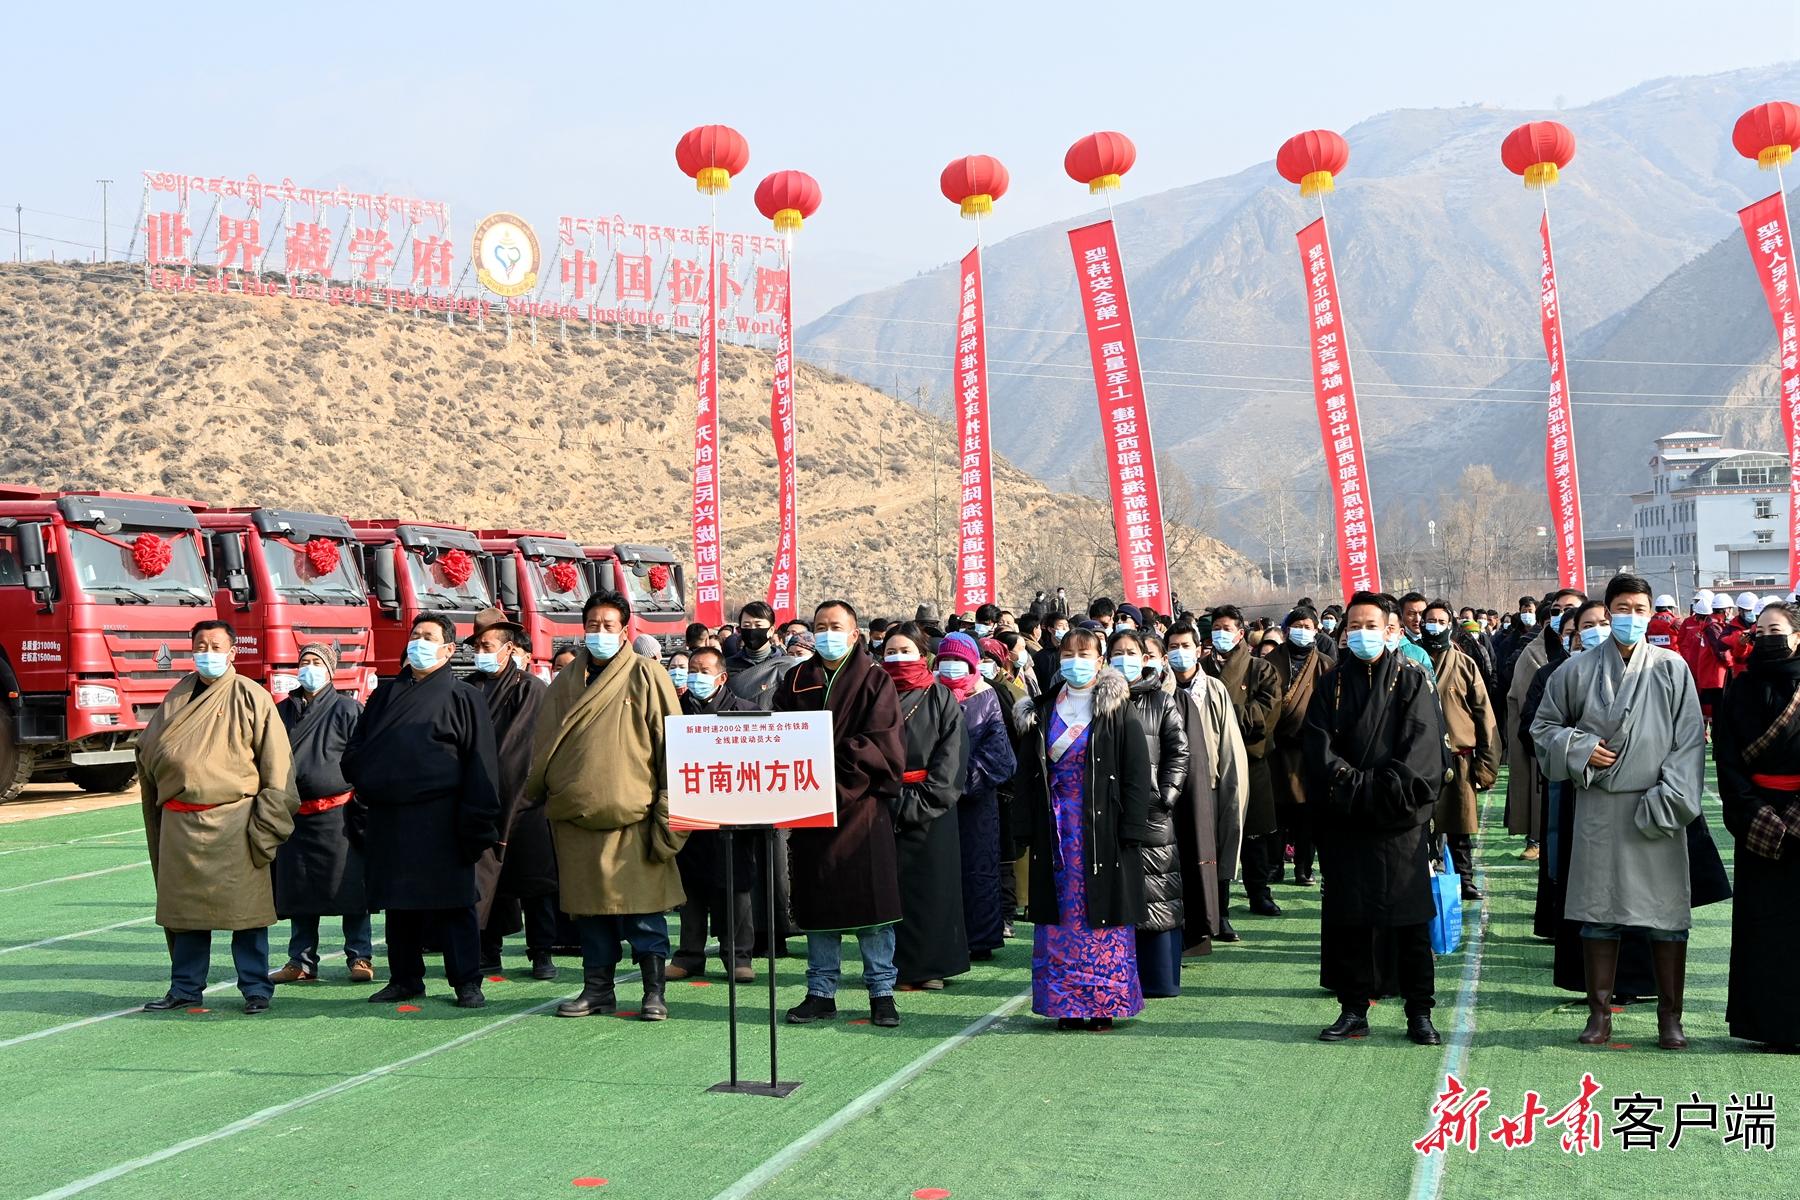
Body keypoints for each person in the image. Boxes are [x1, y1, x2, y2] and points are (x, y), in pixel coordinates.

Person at [1531, 573, 1705, 1050]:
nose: (1630, 617)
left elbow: (1689, 740)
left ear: (1651, 614)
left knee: (1667, 916)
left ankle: (1671, 1018)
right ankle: (1599, 1014)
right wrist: (1579, 747)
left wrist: (1672, 794)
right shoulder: (1576, 670)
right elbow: (1542, 728)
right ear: (1608, 614)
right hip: (1599, 806)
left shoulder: (1671, 668)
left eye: (1639, 608)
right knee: (1598, 915)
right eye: (1621, 608)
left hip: (1657, 806)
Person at [527, 589, 686, 1021]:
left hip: (635, 821)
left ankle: (654, 992)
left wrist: (670, 817)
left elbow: (674, 748)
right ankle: (597, 989)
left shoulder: (648, 676)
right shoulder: (565, 681)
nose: (599, 632)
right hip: (577, 822)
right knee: (591, 917)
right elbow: (544, 748)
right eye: (593, 625)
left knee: (645, 917)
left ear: (625, 630)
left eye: (609, 625)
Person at [1303, 592, 1448, 1046]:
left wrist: (1377, 790)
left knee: (1408, 922)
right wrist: (1354, 788)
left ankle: (1419, 1012)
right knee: (1350, 919)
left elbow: (1422, 752)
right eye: (1354, 625)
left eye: (1371, 625)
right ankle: (1352, 1008)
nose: (1361, 633)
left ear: (1391, 630)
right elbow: (1317, 750)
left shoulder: (1412, 681)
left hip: (1398, 820)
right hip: (1346, 821)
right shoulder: (1331, 684)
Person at [137, 620, 298, 1014]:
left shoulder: (251, 696)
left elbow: (278, 770)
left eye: (215, 645)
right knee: (185, 914)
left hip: (235, 823)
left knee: (246, 915)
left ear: (232, 652)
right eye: (200, 645)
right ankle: (185, 987)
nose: (207, 652)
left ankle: (256, 988)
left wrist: (265, 827)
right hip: (181, 824)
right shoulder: (176, 697)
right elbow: (148, 752)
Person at [344, 614, 502, 1009]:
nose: (418, 642)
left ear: (448, 649)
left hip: (444, 818)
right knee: (399, 904)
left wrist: (477, 821)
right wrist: (374, 781)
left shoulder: (464, 697)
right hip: (391, 817)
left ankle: (467, 980)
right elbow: (355, 753)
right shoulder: (383, 696)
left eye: (428, 637)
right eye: (415, 635)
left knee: (454, 903)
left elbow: (481, 763)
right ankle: (405, 977)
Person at [1013, 626, 1154, 1029]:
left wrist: (1132, 829)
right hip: (1054, 831)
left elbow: (1136, 774)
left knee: (1102, 917)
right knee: (1058, 922)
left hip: (1102, 830)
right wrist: (1023, 828)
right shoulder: (1040, 710)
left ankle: (1103, 1003)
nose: (1077, 660)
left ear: (1099, 658)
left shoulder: (1116, 709)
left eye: (1085, 652)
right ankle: (1063, 1004)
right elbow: (1026, 775)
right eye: (1069, 653)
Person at [777, 599, 909, 1028]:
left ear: (854, 634)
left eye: (836, 626)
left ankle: (881, 992)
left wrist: (829, 773)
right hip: (810, 807)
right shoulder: (797, 678)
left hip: (862, 809)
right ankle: (820, 991)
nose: (826, 633)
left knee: (872, 910)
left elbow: (881, 746)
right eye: (819, 626)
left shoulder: (875, 680)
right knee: (819, 906)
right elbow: (779, 736)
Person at [1715, 600, 1800, 1053]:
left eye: (1777, 629)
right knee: (1762, 925)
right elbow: (1725, 760)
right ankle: (1765, 1022)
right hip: (1758, 820)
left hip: (1799, 816)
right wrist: (1754, 813)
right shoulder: (1740, 687)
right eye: (1761, 630)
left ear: (1797, 635)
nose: (1767, 636)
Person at [463, 609, 557, 982]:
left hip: (526, 800)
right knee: (487, 884)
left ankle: (542, 952)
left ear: (508, 648)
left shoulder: (530, 688)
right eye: (478, 645)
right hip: (480, 802)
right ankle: (489, 950)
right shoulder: (468, 688)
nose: (482, 651)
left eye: (488, 645)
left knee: (536, 882)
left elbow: (517, 748)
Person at [271, 642, 371, 986]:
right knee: (299, 890)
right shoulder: (282, 711)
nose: (309, 668)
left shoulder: (347, 709)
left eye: (316, 662)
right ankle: (301, 961)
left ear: (330, 670)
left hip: (339, 815)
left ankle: (360, 955)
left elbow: (362, 758)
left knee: (351, 887)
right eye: (304, 661)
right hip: (294, 816)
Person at [882, 623, 970, 990]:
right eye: (891, 652)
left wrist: (919, 801)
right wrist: (886, 798)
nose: (898, 658)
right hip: (881, 805)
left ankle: (931, 966)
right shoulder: (874, 696)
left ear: (924, 655)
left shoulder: (941, 698)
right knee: (890, 892)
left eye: (906, 651)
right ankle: (891, 967)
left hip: (932, 808)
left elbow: (952, 759)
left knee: (934, 889)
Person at [670, 646, 758, 982]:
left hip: (733, 817)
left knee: (735, 888)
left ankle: (738, 955)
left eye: (704, 670)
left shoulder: (745, 713)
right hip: (688, 813)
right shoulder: (675, 712)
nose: (695, 676)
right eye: (692, 669)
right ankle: (689, 955)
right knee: (690, 888)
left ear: (721, 677)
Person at [1109, 628, 1189, 997]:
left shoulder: (1161, 701)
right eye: (1116, 652)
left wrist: (1168, 795)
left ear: (1145, 659)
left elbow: (1178, 752)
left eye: (1131, 652)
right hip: (1109, 812)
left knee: (1158, 888)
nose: (1123, 659)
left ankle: (1159, 978)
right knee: (1118, 891)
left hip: (1154, 810)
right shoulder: (1099, 699)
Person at [1166, 621, 1249, 948]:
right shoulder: (1161, 691)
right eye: (1173, 647)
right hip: (1171, 788)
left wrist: (1232, 785)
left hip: (1210, 785)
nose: (1179, 653)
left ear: (1199, 650)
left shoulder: (1214, 690)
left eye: (1186, 646)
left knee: (1214, 850)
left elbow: (1228, 743)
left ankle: (1220, 914)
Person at [937, 632, 1017, 962]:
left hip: (976, 801)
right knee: (941, 872)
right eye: (946, 660)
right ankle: (943, 938)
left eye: (959, 661)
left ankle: (980, 937)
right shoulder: (931, 695)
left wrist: (959, 781)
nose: (952, 667)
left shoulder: (987, 697)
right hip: (936, 801)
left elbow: (1001, 756)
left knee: (978, 868)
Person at [1204, 605, 1283, 917]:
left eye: (1227, 628)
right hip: (1209, 762)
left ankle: (1259, 892)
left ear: (1240, 633)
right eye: (1216, 628)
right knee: (1212, 835)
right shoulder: (1200, 668)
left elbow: (1267, 713)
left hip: (1251, 760)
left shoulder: (1260, 669)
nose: (1221, 634)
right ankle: (1216, 901)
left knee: (1254, 833)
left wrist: (1222, 714)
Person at [1422, 599, 1499, 902]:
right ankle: (1426, 878)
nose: (1435, 626)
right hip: (1422, 756)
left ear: (1451, 624)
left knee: (1460, 824)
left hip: (1459, 756)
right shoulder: (1411, 659)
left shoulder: (1465, 663)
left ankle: (1464, 879)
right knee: (1424, 825)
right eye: (1430, 620)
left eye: (1441, 621)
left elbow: (1484, 715)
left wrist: (1487, 763)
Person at [1504, 590, 1583, 860]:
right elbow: (1531, 717)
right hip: (1555, 760)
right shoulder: (1537, 656)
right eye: (1557, 611)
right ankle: (1535, 838)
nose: (1564, 616)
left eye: (1571, 608)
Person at [1267, 606, 1329, 889]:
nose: (1302, 630)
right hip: (1277, 748)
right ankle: (1275, 864)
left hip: (1310, 750)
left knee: (1307, 814)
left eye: (1308, 625)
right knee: (1278, 813)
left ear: (1316, 630)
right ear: (1287, 629)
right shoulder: (1269, 662)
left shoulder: (1326, 665)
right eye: (1297, 625)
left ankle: (1304, 867)